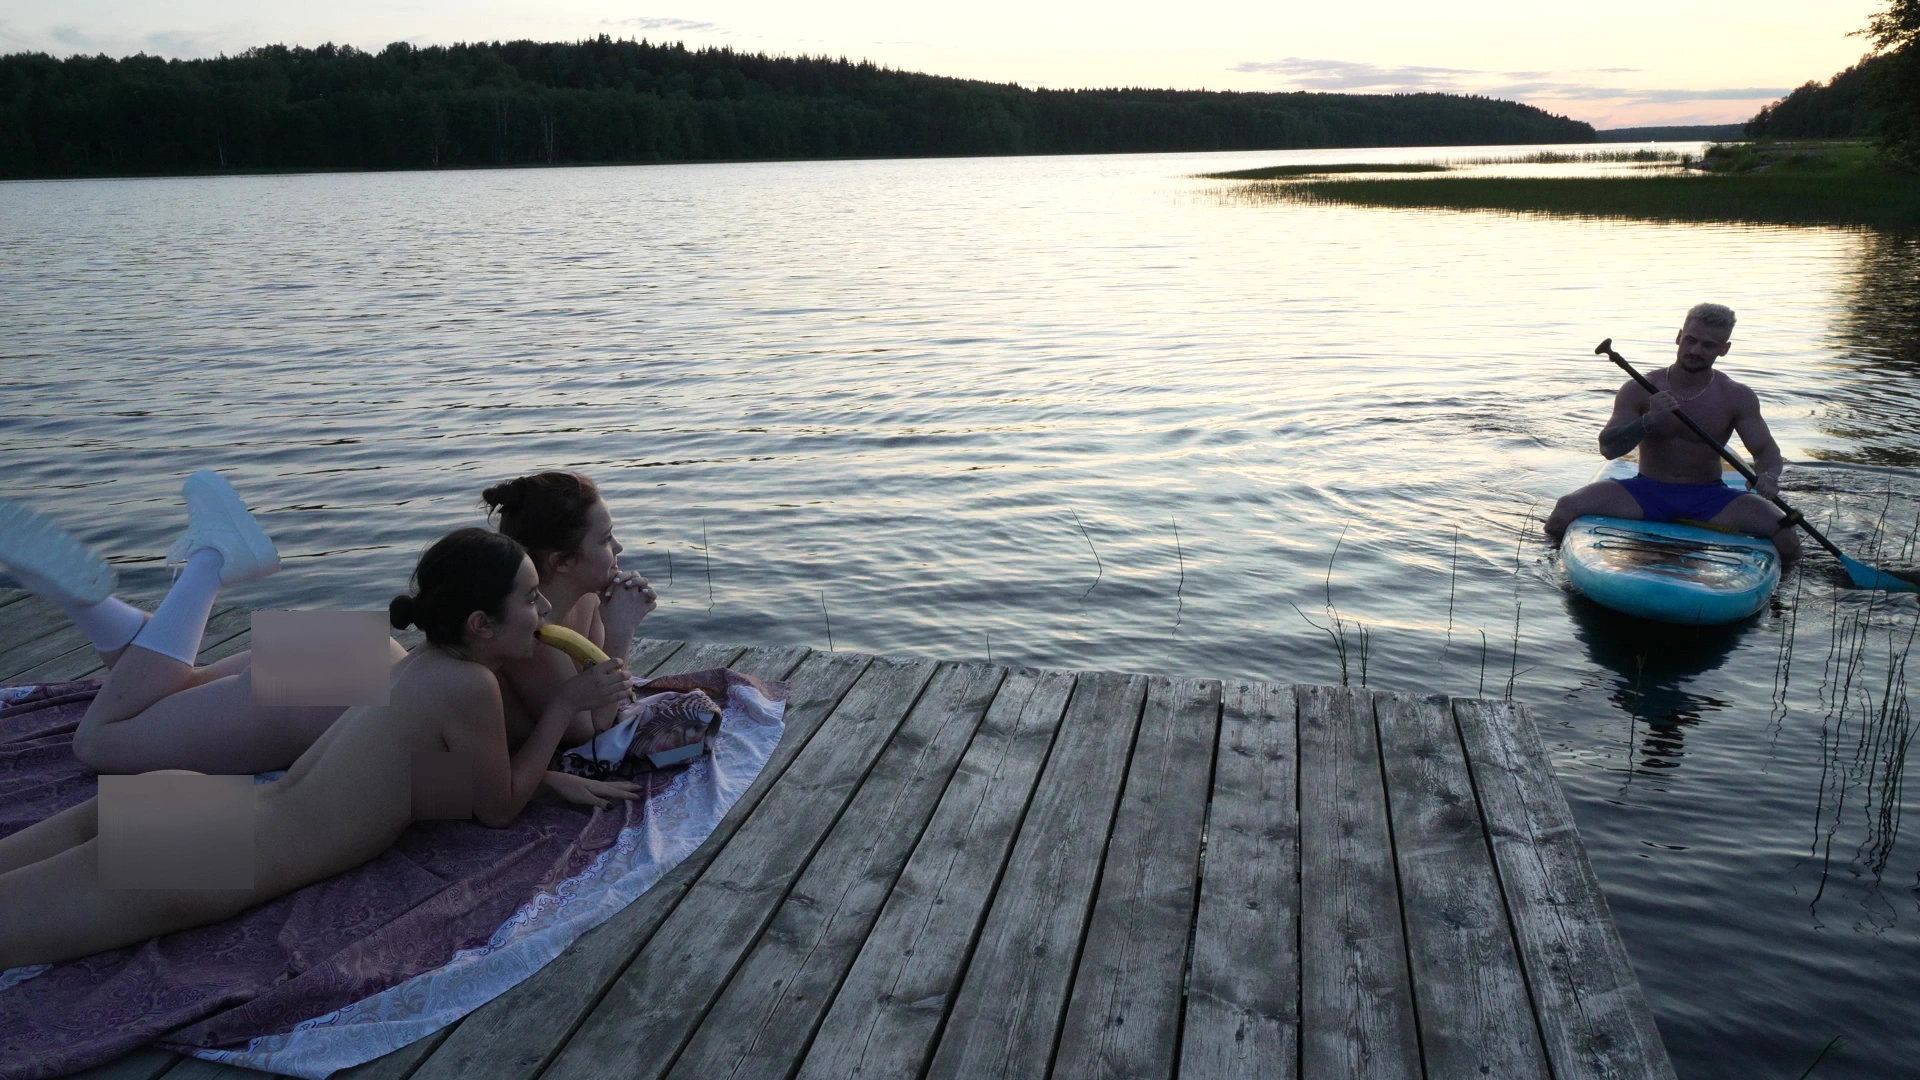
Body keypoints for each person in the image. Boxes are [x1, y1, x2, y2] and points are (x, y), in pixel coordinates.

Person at [0, 528, 633, 970]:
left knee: (79, 836)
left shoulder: (419, 668)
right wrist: (561, 709)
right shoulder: (471, 688)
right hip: (223, 854)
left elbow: (436, 785)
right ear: (481, 625)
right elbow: (497, 810)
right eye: (529, 598)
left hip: (221, 814)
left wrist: (546, 779)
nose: (544, 609)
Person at [0, 470, 402, 775]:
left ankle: (94, 610)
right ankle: (211, 562)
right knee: (97, 741)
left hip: (368, 649)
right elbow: (449, 796)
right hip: (350, 699)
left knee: (171, 689)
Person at [1544, 303, 1802, 558]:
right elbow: (1609, 448)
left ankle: (1781, 596)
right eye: (1690, 340)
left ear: (1724, 349)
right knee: (1565, 508)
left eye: (1708, 345)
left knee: (1785, 532)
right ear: (1679, 337)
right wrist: (1648, 420)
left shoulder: (1735, 396)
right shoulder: (1639, 389)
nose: (1695, 350)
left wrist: (1769, 476)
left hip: (1710, 496)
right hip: (1646, 492)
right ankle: (1551, 573)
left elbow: (1765, 450)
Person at [480, 472, 658, 748]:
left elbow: (605, 697)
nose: (618, 547)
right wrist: (621, 631)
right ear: (562, 562)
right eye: (605, 539)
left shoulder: (585, 598)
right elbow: (591, 731)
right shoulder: (533, 632)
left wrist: (616, 619)